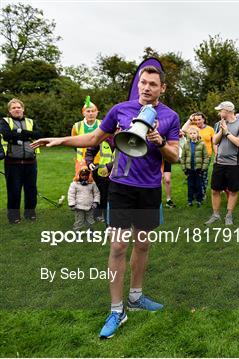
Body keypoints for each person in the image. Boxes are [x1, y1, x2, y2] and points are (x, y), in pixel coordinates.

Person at [32, 65, 180, 339]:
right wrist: (61, 139)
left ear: (163, 89)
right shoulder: (120, 110)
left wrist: (159, 142)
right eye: (143, 83)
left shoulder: (170, 116)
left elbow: (175, 156)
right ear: (138, 84)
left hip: (149, 189)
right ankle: (116, 310)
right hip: (122, 187)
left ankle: (135, 297)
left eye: (153, 84)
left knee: (143, 243)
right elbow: (93, 138)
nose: (147, 88)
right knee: (118, 245)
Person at [205, 101, 239, 226]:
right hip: (219, 162)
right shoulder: (219, 124)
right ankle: (216, 215)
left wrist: (227, 132)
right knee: (215, 190)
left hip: (234, 163)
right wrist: (221, 130)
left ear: (227, 111)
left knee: (233, 191)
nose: (219, 112)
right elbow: (215, 142)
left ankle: (229, 215)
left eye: (221, 110)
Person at [1, 98, 41, 224]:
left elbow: (39, 134)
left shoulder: (30, 121)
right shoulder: (4, 121)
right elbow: (7, 135)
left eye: (19, 107)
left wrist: (19, 132)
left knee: (31, 190)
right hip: (12, 162)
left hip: (30, 162)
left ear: (23, 109)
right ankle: (14, 217)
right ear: (9, 110)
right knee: (14, 191)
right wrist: (28, 135)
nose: (17, 109)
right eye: (14, 108)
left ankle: (30, 214)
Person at [85, 128, 116, 223]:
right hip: (102, 175)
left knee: (115, 198)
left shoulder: (124, 138)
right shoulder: (101, 137)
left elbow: (126, 157)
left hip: (118, 175)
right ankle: (99, 215)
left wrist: (109, 166)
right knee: (102, 196)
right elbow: (90, 150)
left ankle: (114, 220)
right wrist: (89, 161)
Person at [181, 112, 215, 197]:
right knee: (194, 176)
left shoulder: (210, 129)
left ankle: (202, 193)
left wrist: (217, 154)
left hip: (207, 156)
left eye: (199, 119)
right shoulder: (193, 128)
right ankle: (196, 192)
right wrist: (190, 119)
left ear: (204, 119)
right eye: (196, 120)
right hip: (194, 156)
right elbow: (183, 129)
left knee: (203, 175)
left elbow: (214, 143)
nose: (198, 121)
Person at [180, 126, 209, 207]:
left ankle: (199, 200)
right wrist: (184, 168)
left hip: (198, 169)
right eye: (190, 133)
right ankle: (190, 201)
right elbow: (183, 157)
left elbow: (206, 157)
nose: (192, 135)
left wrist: (203, 168)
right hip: (189, 169)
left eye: (194, 133)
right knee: (190, 186)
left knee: (199, 185)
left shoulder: (202, 144)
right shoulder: (186, 144)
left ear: (197, 134)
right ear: (188, 135)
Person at [72, 96, 101, 173]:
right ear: (83, 113)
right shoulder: (77, 126)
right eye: (88, 111)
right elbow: (73, 144)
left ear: (97, 112)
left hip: (99, 161)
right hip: (82, 162)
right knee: (82, 183)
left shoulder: (103, 124)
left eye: (93, 111)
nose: (91, 113)